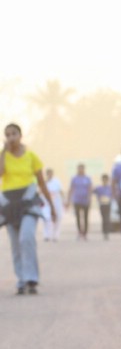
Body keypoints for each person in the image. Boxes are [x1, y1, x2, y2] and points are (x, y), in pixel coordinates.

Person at [1, 123, 56, 293]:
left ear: (20, 135)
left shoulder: (31, 156)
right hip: (9, 202)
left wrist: (52, 206)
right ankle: (21, 280)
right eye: (8, 134)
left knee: (26, 238)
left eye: (14, 134)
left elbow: (41, 182)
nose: (11, 137)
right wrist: (3, 152)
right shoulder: (3, 156)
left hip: (28, 201)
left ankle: (32, 278)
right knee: (15, 244)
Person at [69, 164, 93, 238]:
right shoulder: (74, 178)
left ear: (84, 169)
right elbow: (71, 189)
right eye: (79, 169)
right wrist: (68, 199)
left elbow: (90, 188)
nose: (80, 170)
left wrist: (89, 198)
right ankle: (79, 232)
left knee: (86, 217)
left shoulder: (87, 178)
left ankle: (85, 233)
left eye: (82, 169)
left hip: (85, 200)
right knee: (78, 217)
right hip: (77, 200)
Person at [41, 168, 65, 242]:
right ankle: (47, 235)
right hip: (46, 204)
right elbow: (40, 192)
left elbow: (61, 191)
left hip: (56, 203)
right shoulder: (44, 183)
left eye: (50, 173)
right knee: (46, 219)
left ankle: (55, 236)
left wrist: (64, 201)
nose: (49, 175)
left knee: (57, 218)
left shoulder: (57, 182)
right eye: (48, 173)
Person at [94, 174, 114, 240]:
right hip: (102, 204)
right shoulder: (99, 188)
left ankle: (107, 232)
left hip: (108, 204)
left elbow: (113, 194)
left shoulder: (110, 188)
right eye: (104, 179)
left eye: (106, 179)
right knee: (103, 218)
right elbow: (94, 191)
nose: (105, 181)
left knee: (107, 218)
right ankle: (104, 231)